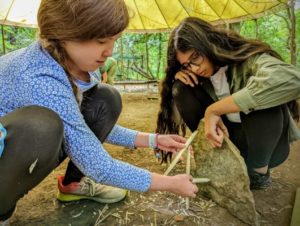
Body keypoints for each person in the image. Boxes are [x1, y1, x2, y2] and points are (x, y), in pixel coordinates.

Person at [0, 1, 199, 224]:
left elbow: (80, 127)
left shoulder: (79, 65)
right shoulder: (40, 79)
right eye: (101, 41)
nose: (110, 51)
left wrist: (153, 140)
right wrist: (170, 183)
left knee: (106, 98)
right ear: (64, 34)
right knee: (40, 126)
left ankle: (73, 185)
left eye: (114, 39)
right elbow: (98, 166)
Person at [156, 17, 300, 190]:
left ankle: (257, 173)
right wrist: (175, 79)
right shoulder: (197, 77)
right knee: (181, 88)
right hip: (229, 142)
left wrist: (213, 110)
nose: (195, 68)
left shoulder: (250, 59)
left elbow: (292, 79)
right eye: (187, 64)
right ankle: (216, 160)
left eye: (196, 57)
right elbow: (178, 104)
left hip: (264, 143)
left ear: (209, 43)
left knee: (262, 101)